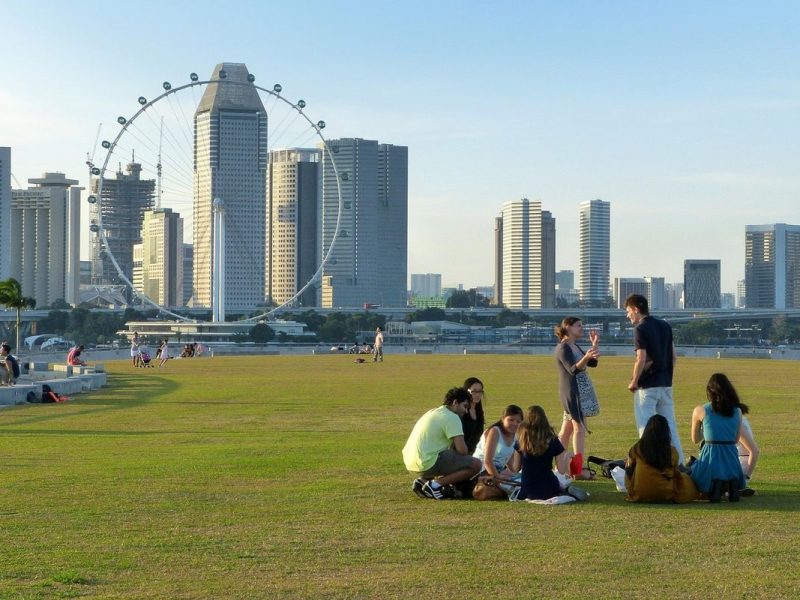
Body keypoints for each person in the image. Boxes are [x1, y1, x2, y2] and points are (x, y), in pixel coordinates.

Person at [624, 293, 684, 465]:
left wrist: (634, 381)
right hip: (666, 384)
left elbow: (641, 358)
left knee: (646, 428)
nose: (628, 315)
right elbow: (674, 357)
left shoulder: (640, 329)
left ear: (636, 309)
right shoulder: (665, 326)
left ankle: (649, 466)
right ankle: (679, 464)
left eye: (628, 311)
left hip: (647, 386)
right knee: (670, 426)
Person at [402, 387, 482, 500]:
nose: (466, 411)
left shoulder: (433, 412)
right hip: (427, 463)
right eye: (465, 406)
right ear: (455, 403)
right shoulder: (452, 417)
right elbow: (462, 450)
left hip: (410, 462)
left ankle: (423, 481)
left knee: (447, 455)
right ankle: (434, 485)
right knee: (476, 464)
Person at [554, 317, 600, 480]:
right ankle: (576, 470)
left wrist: (593, 347)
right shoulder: (563, 347)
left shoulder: (573, 345)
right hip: (573, 392)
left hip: (580, 391)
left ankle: (559, 468)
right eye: (578, 326)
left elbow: (592, 364)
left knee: (565, 432)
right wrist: (587, 357)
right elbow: (573, 369)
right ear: (568, 327)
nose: (581, 328)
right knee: (579, 429)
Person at [690, 373, 748, 501]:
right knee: (727, 467)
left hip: (710, 456)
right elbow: (735, 439)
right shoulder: (737, 411)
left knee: (691, 468)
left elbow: (695, 439)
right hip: (731, 458)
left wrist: (707, 431)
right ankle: (730, 485)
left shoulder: (700, 410)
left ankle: (716, 486)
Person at [515, 405, 585, 501]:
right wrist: (567, 456)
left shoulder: (521, 441)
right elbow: (561, 470)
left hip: (527, 490)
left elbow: (515, 468)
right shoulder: (553, 440)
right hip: (549, 488)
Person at [624, 414, 699, 503]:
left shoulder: (637, 448)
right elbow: (675, 469)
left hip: (640, 493)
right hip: (666, 493)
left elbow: (629, 468)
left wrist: (631, 487)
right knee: (688, 480)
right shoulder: (671, 451)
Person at [472, 405, 523, 499]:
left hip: (498, 470)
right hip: (482, 469)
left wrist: (515, 474)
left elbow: (509, 462)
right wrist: (499, 478)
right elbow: (487, 461)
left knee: (520, 477)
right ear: (503, 418)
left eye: (518, 421)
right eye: (511, 420)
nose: (515, 424)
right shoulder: (494, 431)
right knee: (510, 480)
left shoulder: (515, 435)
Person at [461, 377, 486, 454]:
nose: (477, 395)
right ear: (466, 391)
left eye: (480, 392)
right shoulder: (461, 412)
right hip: (462, 452)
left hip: (476, 452)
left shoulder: (479, 412)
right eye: (474, 391)